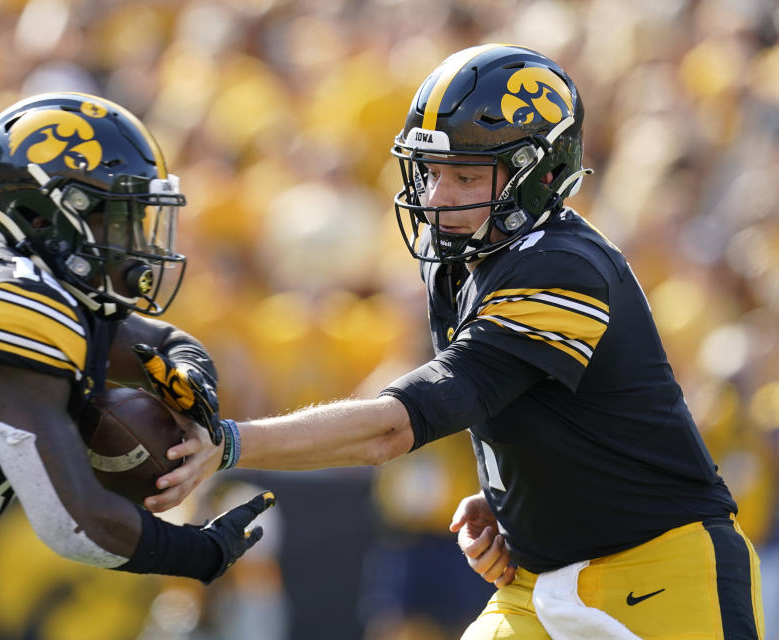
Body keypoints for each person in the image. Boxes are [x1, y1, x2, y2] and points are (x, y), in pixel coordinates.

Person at [155, 44, 765, 638]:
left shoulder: (565, 266)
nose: (439, 198)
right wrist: (517, 498)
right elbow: (542, 408)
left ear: (540, 176)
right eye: (432, 173)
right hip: (540, 586)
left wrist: (231, 441)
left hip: (660, 575)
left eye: (466, 175)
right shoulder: (464, 260)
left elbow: (396, 427)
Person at [0, 92, 275, 640]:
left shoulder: (9, 276)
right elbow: (73, 520)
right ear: (50, 213)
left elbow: (161, 341)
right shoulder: (11, 300)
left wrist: (190, 374)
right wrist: (199, 552)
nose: (131, 239)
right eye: (116, 216)